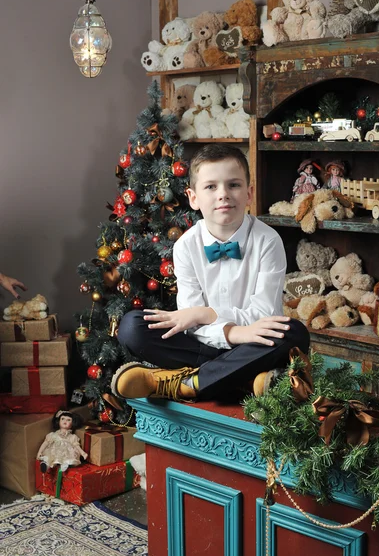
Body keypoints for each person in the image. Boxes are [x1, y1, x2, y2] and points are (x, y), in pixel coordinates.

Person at [112, 144, 310, 402]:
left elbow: (264, 316)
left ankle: (187, 383)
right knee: (131, 328)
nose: (223, 194)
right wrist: (233, 332)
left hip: (253, 345)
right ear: (193, 198)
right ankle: (244, 380)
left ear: (249, 193)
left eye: (234, 185)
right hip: (210, 345)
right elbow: (190, 325)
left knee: (292, 333)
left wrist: (205, 314)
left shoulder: (268, 240)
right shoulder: (185, 245)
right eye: (210, 187)